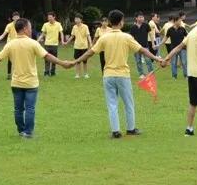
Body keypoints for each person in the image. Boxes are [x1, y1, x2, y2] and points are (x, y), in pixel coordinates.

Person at [71, 9, 165, 138]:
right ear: (121, 22)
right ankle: (131, 129)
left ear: (109, 22)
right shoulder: (126, 37)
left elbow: (90, 52)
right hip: (122, 75)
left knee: (112, 104)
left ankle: (115, 131)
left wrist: (75, 61)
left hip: (108, 75)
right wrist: (157, 59)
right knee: (128, 103)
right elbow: (142, 50)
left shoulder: (104, 37)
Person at [0, 18, 72, 137]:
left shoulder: (10, 44)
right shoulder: (33, 43)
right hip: (31, 83)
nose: (31, 30)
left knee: (18, 109)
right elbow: (47, 56)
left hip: (16, 83)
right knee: (30, 109)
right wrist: (62, 63)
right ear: (24, 29)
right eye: (30, 27)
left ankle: (21, 131)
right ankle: (28, 132)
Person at [0, 12, 21, 79]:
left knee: (19, 59)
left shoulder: (21, 25)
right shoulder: (9, 25)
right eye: (15, 17)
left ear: (19, 18)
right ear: (13, 18)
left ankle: (18, 74)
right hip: (11, 45)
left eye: (17, 17)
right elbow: (4, 34)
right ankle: (9, 74)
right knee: (10, 60)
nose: (16, 18)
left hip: (19, 44)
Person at [128, 12, 154, 78]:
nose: (141, 18)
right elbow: (131, 38)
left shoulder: (146, 25)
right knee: (138, 61)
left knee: (148, 60)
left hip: (145, 46)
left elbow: (151, 34)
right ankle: (141, 74)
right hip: (136, 47)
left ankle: (151, 73)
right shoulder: (133, 27)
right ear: (136, 18)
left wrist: (153, 43)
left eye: (142, 17)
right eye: (140, 17)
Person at [38, 12, 64, 77]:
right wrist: (37, 41)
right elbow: (43, 34)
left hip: (55, 45)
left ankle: (53, 72)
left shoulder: (58, 24)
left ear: (54, 17)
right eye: (48, 17)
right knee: (47, 59)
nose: (49, 18)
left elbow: (61, 33)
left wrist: (62, 41)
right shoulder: (45, 24)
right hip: (47, 44)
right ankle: (46, 72)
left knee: (54, 59)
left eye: (50, 17)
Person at [67, 14, 92, 79]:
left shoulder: (85, 27)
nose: (76, 20)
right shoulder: (74, 27)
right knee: (77, 61)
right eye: (75, 19)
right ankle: (77, 74)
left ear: (81, 20)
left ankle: (86, 74)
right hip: (77, 46)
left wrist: (90, 43)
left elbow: (88, 35)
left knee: (85, 61)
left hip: (84, 46)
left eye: (78, 19)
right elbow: (72, 36)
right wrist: (67, 42)